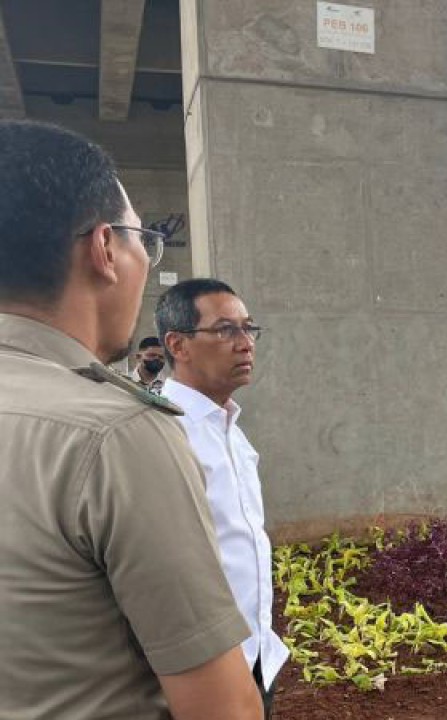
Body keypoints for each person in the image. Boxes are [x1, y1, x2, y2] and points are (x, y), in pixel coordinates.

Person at [0, 121, 262, 719]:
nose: (245, 342)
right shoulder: (118, 436)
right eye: (144, 238)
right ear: (103, 249)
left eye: (249, 328)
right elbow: (221, 710)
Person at [158, 279, 287, 717]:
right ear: (179, 344)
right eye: (226, 330)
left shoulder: (231, 429)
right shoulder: (164, 434)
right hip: (203, 672)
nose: (245, 343)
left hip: (255, 655)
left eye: (249, 329)